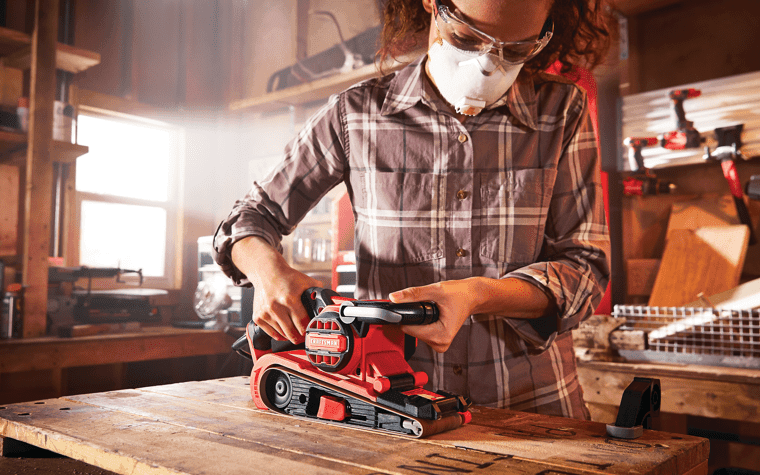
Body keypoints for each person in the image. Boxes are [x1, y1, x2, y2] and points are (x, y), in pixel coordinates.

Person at [214, 0, 612, 419]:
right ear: (431, 4)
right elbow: (248, 218)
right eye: (466, 37)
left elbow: (585, 266)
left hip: (532, 405)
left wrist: (480, 295)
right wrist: (268, 274)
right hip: (391, 402)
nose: (485, 67)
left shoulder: (563, 111)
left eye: (515, 50)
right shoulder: (356, 116)